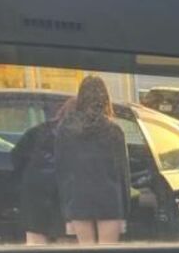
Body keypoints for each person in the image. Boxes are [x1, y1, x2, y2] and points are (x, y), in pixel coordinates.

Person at [55, 75, 130, 244]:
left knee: (87, 251)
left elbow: (61, 170)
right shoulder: (114, 131)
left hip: (79, 198)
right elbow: (122, 173)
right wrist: (125, 208)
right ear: (105, 99)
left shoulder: (66, 130)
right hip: (109, 198)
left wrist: (66, 207)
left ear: (80, 98)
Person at [11, 98, 76, 245]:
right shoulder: (79, 136)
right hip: (64, 200)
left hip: (34, 197)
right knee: (67, 247)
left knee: (36, 247)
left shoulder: (38, 130)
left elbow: (16, 156)